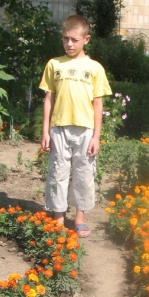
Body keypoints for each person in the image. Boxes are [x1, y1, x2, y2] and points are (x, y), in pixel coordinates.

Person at [40, 14, 111, 238]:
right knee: (58, 173)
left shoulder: (95, 68)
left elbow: (98, 103)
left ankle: (79, 218)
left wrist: (96, 136)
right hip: (59, 127)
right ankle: (58, 216)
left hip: (85, 130)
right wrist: (45, 131)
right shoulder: (54, 65)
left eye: (74, 40)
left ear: (86, 39)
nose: (69, 44)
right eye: (65, 39)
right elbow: (48, 99)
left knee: (83, 174)